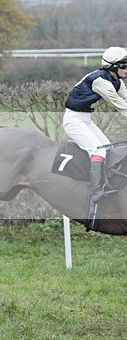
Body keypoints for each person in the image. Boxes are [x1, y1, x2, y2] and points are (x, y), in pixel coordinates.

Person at [63, 46, 127, 215]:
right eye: (123, 65)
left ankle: (106, 185)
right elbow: (120, 106)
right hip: (74, 121)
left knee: (108, 149)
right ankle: (96, 192)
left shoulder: (117, 82)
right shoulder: (101, 81)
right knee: (98, 152)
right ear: (113, 66)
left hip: (85, 119)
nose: (126, 69)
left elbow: (126, 100)